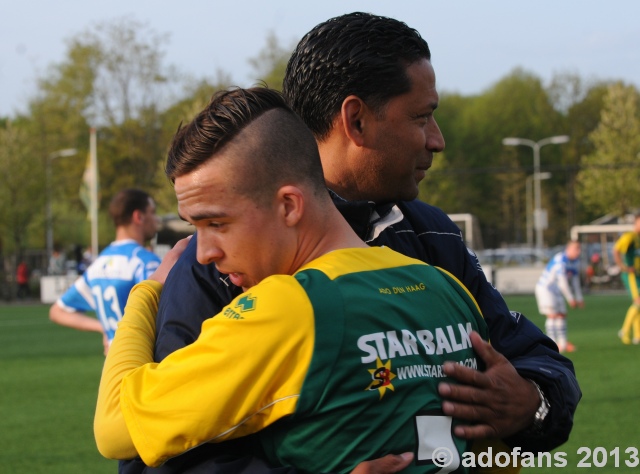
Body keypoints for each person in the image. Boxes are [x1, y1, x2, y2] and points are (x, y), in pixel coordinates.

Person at [122, 12, 580, 474]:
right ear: (356, 120)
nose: (437, 141)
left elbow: (533, 357)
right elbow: (152, 451)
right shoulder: (219, 262)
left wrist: (531, 403)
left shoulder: (431, 236)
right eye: (421, 117)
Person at [95, 87, 495, 473]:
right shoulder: (447, 288)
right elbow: (497, 453)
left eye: (216, 223)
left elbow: (114, 427)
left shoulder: (288, 309)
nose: (203, 252)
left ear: (289, 205)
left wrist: (147, 294)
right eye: (195, 227)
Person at [49, 188, 161, 354]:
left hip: (113, 365)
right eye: (152, 212)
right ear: (139, 216)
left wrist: (104, 328)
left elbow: (57, 311)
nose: (156, 219)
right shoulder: (144, 261)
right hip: (143, 360)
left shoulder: (98, 265)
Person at [534, 241, 584, 353]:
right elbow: (562, 282)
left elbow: (575, 281)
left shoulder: (574, 262)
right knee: (552, 315)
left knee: (561, 315)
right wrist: (571, 298)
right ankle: (552, 343)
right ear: (568, 249)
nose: (579, 251)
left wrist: (579, 298)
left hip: (556, 291)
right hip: (546, 289)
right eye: (576, 248)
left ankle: (563, 344)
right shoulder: (560, 260)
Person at [613, 213, 640, 345]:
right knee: (638, 302)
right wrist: (623, 266)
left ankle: (637, 335)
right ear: (636, 222)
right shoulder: (630, 236)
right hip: (631, 275)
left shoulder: (638, 238)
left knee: (638, 305)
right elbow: (616, 250)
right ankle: (624, 330)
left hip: (637, 275)